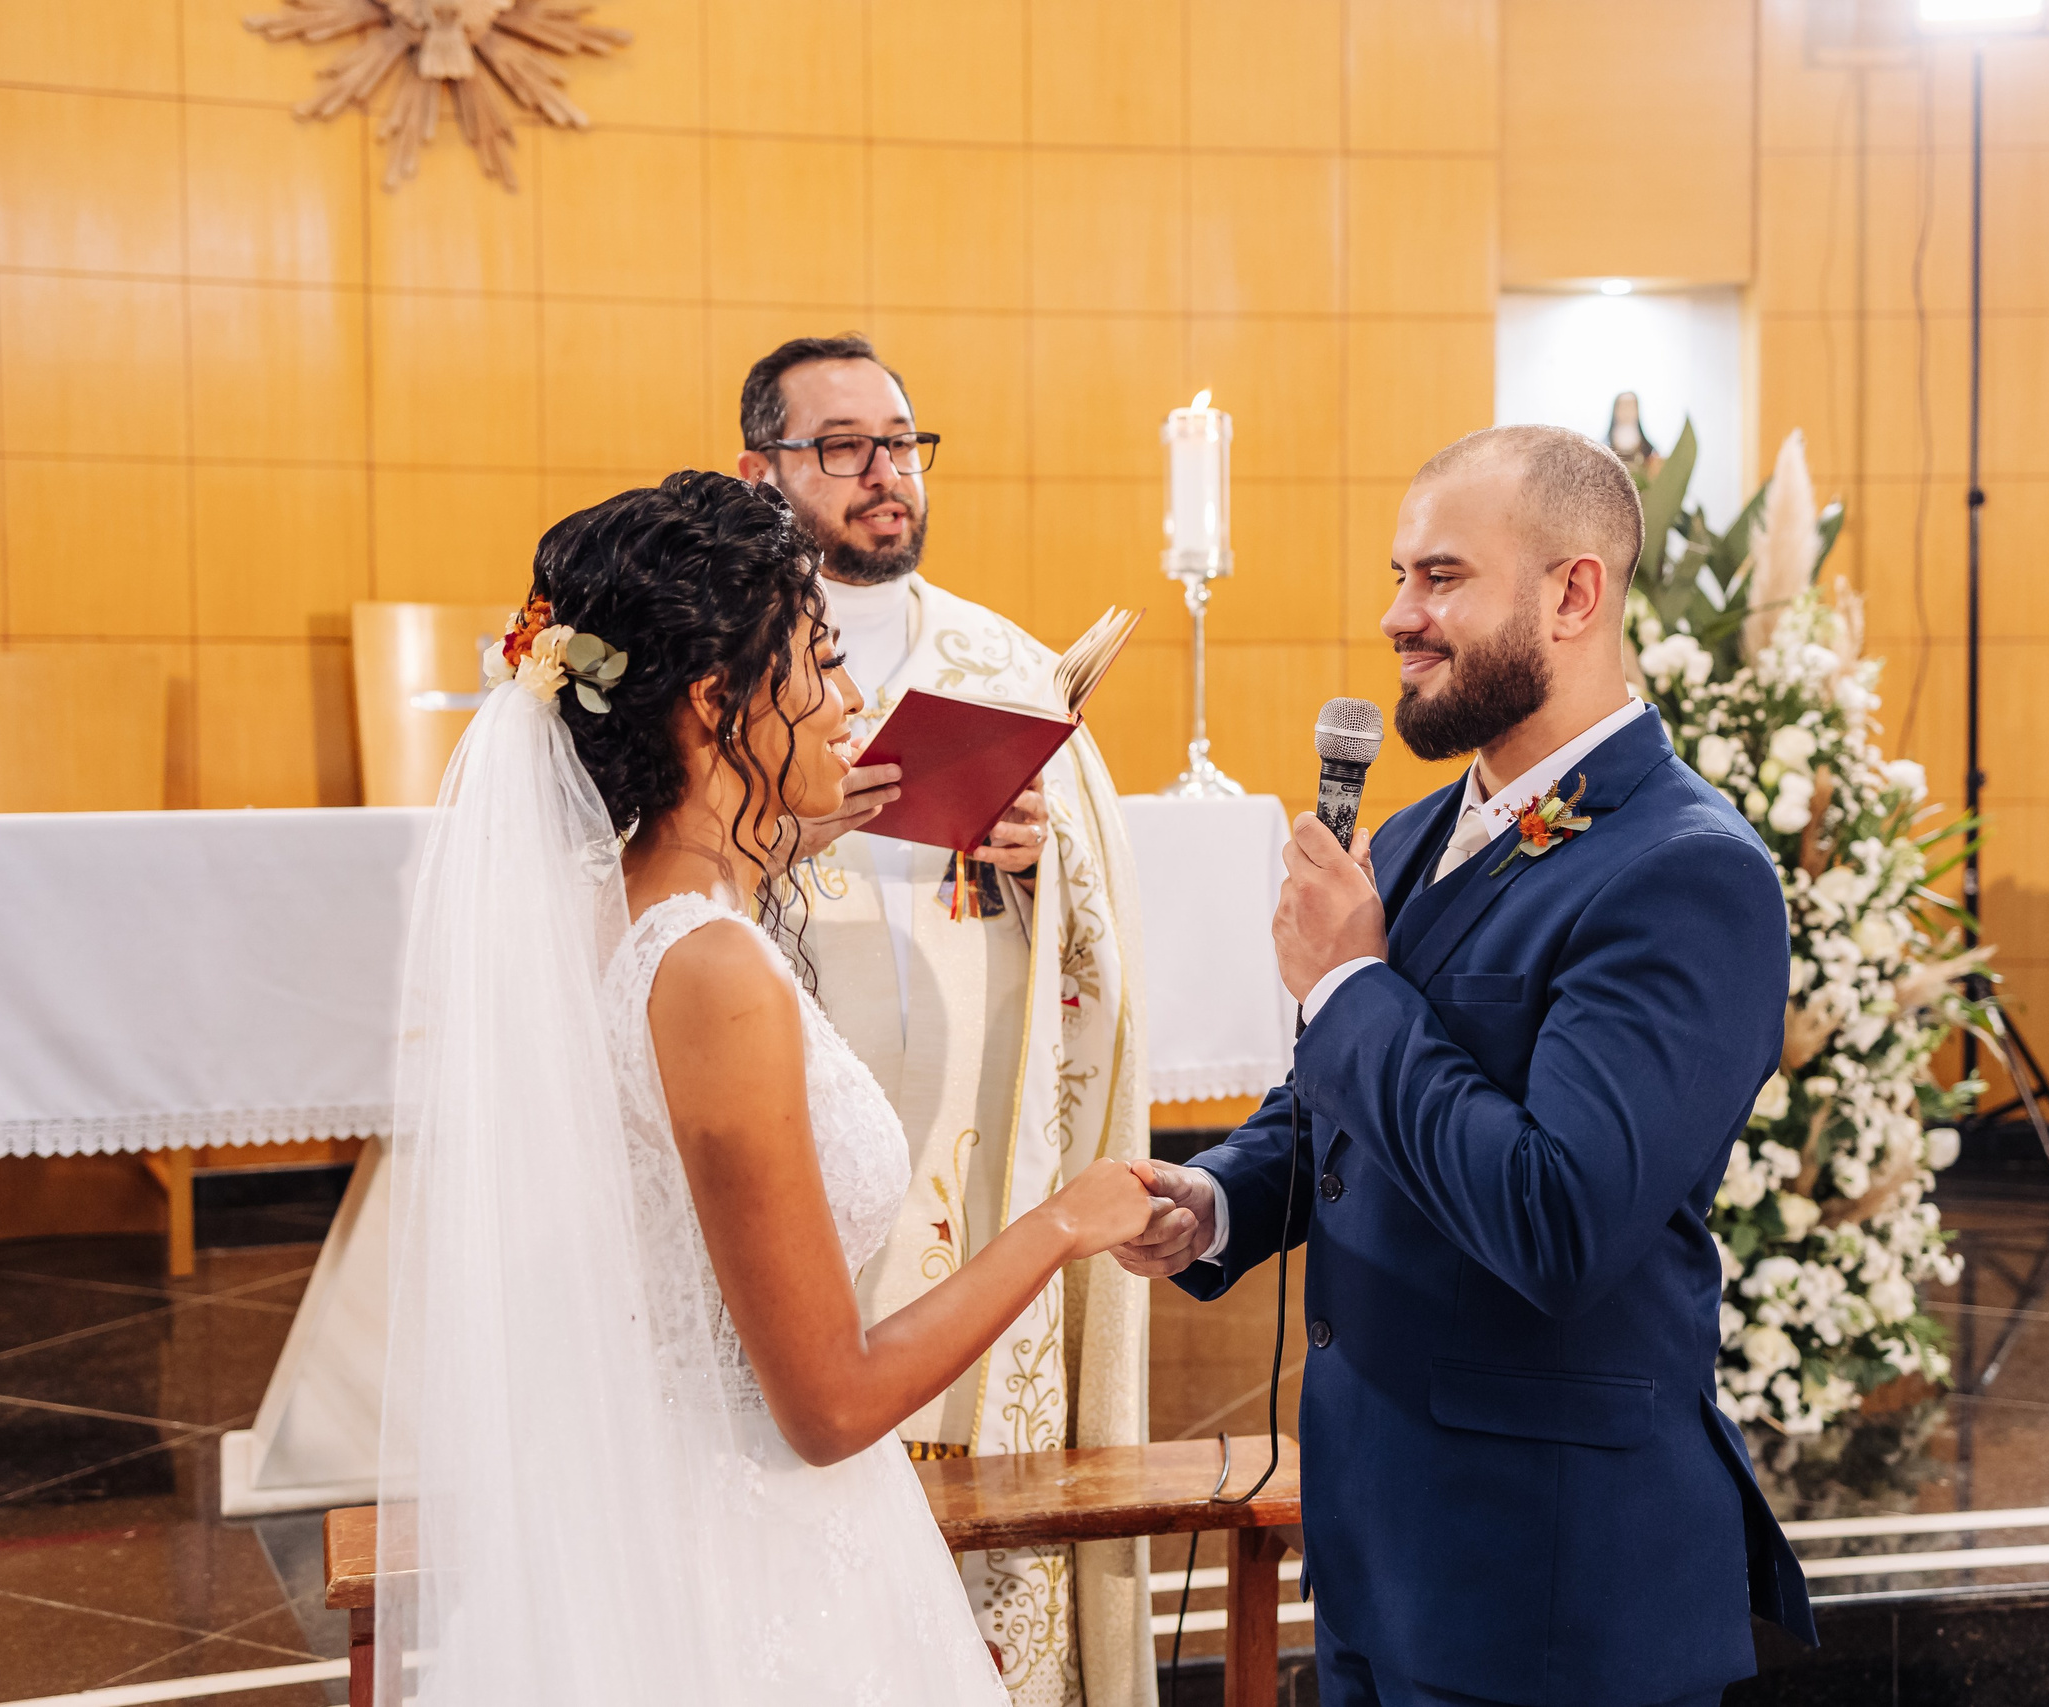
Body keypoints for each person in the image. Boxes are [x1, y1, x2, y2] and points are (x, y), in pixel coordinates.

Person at [375, 471, 1157, 1705]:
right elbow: (830, 1406)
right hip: (747, 1555)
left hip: (631, 1504)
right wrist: (1065, 1222)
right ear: (711, 700)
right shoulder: (714, 972)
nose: (852, 701)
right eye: (818, 661)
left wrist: (788, 828)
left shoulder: (597, 903)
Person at [1112, 426, 1817, 1707]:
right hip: (1382, 1546)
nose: (1397, 616)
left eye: (1440, 578)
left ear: (1573, 593)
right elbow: (1344, 1093)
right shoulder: (1425, 824)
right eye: (1398, 577)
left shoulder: (1686, 874)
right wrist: (1218, 1198)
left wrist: (1346, 981)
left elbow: (1555, 1216)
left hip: (1549, 1583)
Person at [736, 334, 1153, 1707]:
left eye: (903, 441)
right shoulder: (725, 665)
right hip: (789, 1138)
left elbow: (1101, 942)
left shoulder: (1006, 662)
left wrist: (1045, 860)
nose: (885, 474)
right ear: (762, 469)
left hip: (980, 1166)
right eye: (843, 444)